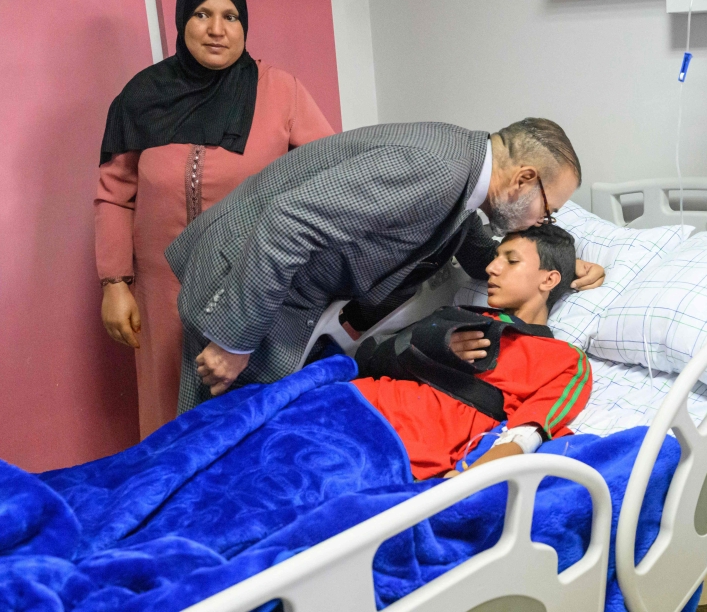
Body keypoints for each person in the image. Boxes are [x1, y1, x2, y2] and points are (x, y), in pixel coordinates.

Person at [166, 118, 605, 412]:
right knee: (218, 436)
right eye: (546, 211)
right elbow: (288, 224)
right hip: (245, 278)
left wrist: (561, 269)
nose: (539, 222)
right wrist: (234, 339)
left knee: (231, 439)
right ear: (524, 178)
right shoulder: (437, 171)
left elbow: (476, 252)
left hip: (270, 278)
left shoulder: (462, 182)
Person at [95, 0, 334, 437]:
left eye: (231, 16)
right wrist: (114, 283)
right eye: (203, 14)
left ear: (245, 25)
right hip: (162, 292)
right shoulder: (142, 96)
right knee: (169, 417)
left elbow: (329, 172)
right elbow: (113, 196)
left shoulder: (279, 90)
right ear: (183, 21)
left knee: (244, 417)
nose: (217, 29)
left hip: (248, 285)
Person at [353, 224, 591, 480]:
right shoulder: (454, 317)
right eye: (495, 257)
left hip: (399, 451)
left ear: (549, 279)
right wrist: (432, 344)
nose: (491, 268)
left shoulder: (565, 359)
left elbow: (527, 430)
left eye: (511, 260)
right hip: (352, 404)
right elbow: (368, 355)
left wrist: (470, 479)